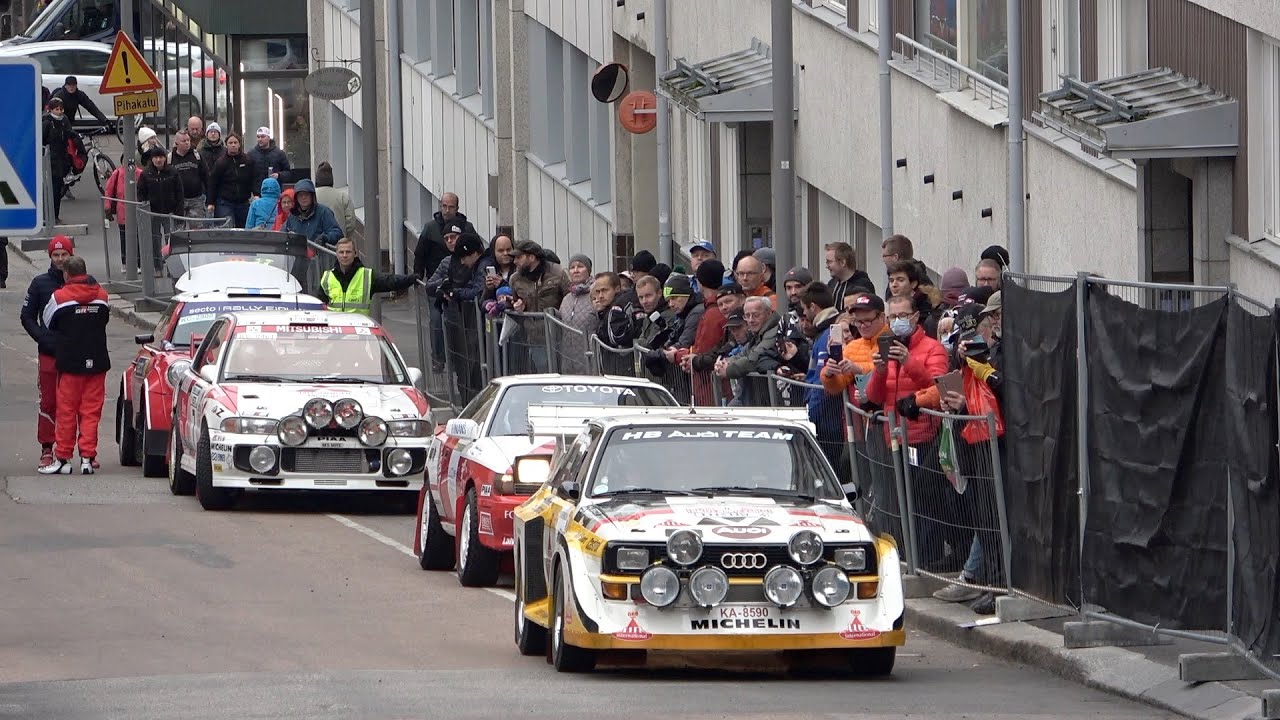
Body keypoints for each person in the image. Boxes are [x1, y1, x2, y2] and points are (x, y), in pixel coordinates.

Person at [867, 293, 951, 569]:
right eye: (891, 317)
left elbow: (938, 386)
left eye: (902, 316)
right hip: (893, 436)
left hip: (923, 436)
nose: (896, 322)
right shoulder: (886, 348)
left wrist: (908, 362)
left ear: (915, 317)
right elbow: (873, 396)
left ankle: (926, 559)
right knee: (897, 500)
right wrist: (879, 371)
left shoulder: (932, 348)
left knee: (924, 501)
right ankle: (904, 555)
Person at [37, 256, 109, 475]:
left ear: (67, 274)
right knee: (91, 411)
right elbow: (104, 318)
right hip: (96, 361)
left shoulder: (59, 297)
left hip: (69, 362)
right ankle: (87, 457)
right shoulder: (102, 296)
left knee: (67, 410)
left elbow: (48, 322)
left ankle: (63, 458)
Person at [23, 236, 80, 468]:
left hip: (75, 353)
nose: (59, 259)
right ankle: (47, 448)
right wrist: (42, 337)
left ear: (70, 255)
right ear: (50, 257)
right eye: (55, 255)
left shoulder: (81, 282)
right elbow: (26, 316)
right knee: (48, 402)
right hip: (49, 354)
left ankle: (80, 450)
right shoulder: (39, 284)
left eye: (63, 255)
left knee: (76, 403)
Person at [425, 233, 487, 400]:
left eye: (464, 258)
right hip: (459, 322)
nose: (462, 262)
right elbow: (430, 285)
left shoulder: (481, 267)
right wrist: (445, 286)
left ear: (473, 254)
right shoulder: (451, 263)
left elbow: (477, 291)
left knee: (473, 370)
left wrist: (456, 293)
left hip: (472, 323)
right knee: (464, 368)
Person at [508, 240, 570, 373]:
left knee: (562, 373)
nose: (515, 262)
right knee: (543, 373)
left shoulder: (558, 274)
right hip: (534, 337)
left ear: (531, 257)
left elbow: (569, 298)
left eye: (519, 257)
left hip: (559, 335)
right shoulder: (515, 279)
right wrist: (517, 305)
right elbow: (514, 302)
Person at [318, 238, 416, 314]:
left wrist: (410, 279)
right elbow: (318, 306)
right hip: (336, 331)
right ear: (336, 254)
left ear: (355, 254)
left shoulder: (367, 276)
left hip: (359, 331)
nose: (344, 255)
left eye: (348, 252)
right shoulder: (327, 277)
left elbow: (390, 281)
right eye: (341, 252)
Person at [715, 296, 781, 405]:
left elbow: (754, 358)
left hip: (773, 400)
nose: (751, 320)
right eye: (747, 316)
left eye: (756, 315)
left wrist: (728, 370)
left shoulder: (773, 332)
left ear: (769, 313)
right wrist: (724, 363)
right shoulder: (757, 333)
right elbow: (743, 353)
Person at [137, 147, 184, 272]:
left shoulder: (173, 172)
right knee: (155, 241)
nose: (158, 160)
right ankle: (158, 267)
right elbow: (141, 192)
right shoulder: (146, 174)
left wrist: (179, 212)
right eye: (156, 157)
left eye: (161, 157)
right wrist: (145, 207)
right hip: (153, 213)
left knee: (171, 241)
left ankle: (171, 268)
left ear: (165, 158)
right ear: (152, 159)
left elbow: (179, 193)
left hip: (170, 213)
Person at [413, 192, 476, 278]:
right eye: (444, 206)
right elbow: (420, 254)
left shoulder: (467, 228)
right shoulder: (431, 228)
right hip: (436, 278)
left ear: (457, 208)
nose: (447, 210)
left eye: (451, 207)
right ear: (440, 206)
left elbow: (478, 251)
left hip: (464, 279)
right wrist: (417, 276)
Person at [557, 254, 598, 374]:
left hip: (590, 358)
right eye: (572, 267)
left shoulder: (596, 294)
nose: (576, 270)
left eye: (580, 266)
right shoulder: (566, 299)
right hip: (568, 359)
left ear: (588, 270)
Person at [206, 133, 256, 227]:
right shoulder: (220, 163)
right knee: (225, 229)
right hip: (225, 203)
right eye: (230, 143)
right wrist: (211, 202)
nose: (233, 145)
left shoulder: (247, 160)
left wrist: (256, 194)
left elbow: (253, 179)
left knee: (244, 230)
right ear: (226, 145)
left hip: (243, 202)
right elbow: (213, 183)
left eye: (235, 142)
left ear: (239, 144)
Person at [103, 162, 143, 270]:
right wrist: (107, 208)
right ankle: (125, 262)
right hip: (122, 211)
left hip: (137, 210)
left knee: (138, 238)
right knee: (124, 238)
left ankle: (139, 263)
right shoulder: (117, 173)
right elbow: (109, 190)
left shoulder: (140, 173)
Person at [41, 98, 74, 223]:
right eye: (57, 109)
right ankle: (48, 217)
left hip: (61, 160)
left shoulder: (64, 121)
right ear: (51, 110)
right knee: (50, 189)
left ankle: (55, 215)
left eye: (61, 109)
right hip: (50, 161)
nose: (59, 112)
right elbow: (42, 141)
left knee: (58, 189)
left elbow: (69, 135)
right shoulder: (47, 123)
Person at [284, 179, 343, 248]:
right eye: (300, 195)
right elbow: (283, 233)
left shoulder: (324, 212)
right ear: (296, 198)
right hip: (297, 255)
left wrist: (326, 238)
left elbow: (337, 233)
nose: (303, 197)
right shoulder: (292, 215)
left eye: (306, 194)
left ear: (312, 196)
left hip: (318, 255)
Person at [826, 241, 876, 310]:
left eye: (830, 262)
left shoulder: (863, 286)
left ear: (843, 262)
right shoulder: (831, 284)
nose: (827, 266)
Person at [169, 130, 207, 219]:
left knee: (197, 230)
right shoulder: (170, 159)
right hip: (178, 201)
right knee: (179, 230)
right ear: (176, 143)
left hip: (196, 200)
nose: (187, 143)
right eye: (183, 141)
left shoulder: (197, 156)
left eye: (188, 140)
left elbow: (206, 176)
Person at [313, 161, 356, 238]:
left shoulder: (311, 196)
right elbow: (351, 222)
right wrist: (345, 235)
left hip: (315, 242)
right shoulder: (342, 196)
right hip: (339, 243)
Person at [248, 126, 290, 192]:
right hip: (258, 194)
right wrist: (253, 193)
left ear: (268, 137)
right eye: (258, 137)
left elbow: (288, 173)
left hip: (275, 192)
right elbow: (248, 175)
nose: (260, 139)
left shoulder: (279, 153)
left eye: (263, 136)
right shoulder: (251, 154)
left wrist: (279, 175)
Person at [479, 233, 517, 302]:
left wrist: (503, 285)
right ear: (494, 253)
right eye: (501, 251)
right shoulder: (486, 271)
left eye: (508, 250)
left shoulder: (519, 270)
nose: (505, 253)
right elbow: (481, 303)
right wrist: (488, 289)